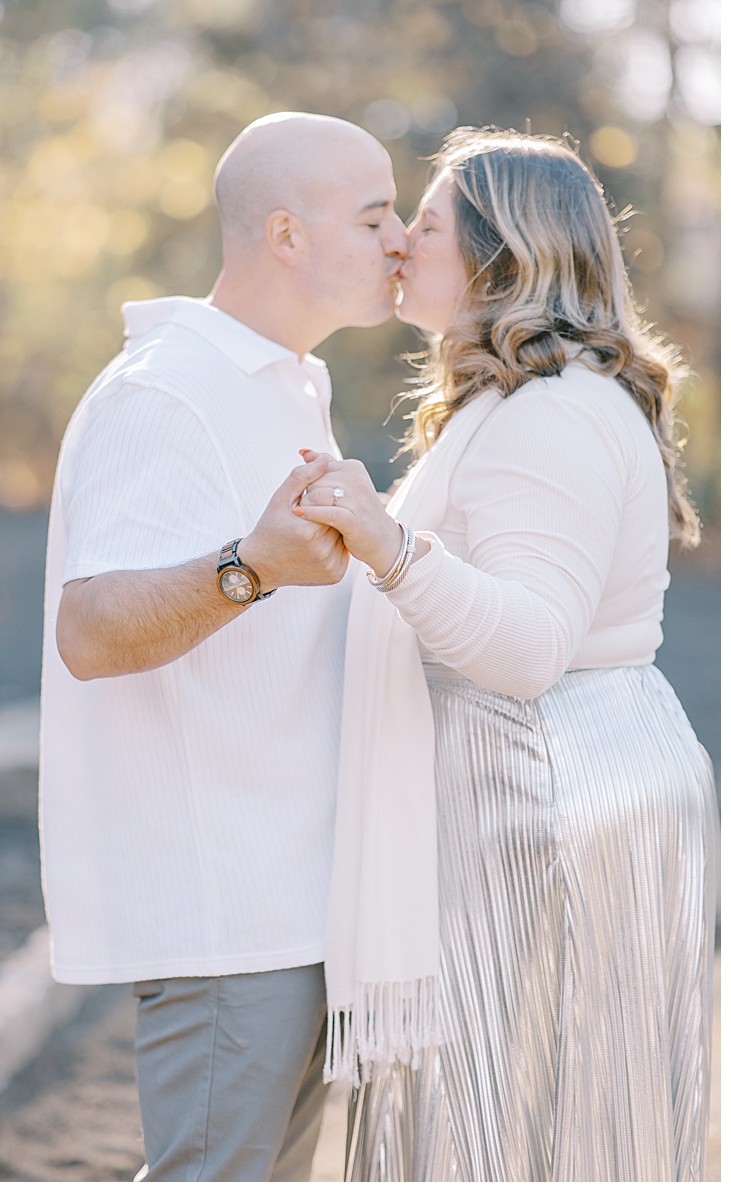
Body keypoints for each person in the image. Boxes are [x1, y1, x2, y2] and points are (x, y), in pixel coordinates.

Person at [296, 129, 716, 1181]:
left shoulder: (554, 415)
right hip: (544, 783)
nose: (402, 242)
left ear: (501, 255)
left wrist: (386, 544)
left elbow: (529, 647)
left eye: (427, 224)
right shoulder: (526, 403)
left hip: (543, 798)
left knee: (519, 1130)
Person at [41, 112, 408, 1180]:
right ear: (286, 234)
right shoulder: (165, 390)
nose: (400, 240)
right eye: (375, 216)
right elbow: (88, 630)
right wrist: (250, 566)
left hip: (304, 895)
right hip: (229, 909)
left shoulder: (289, 381)